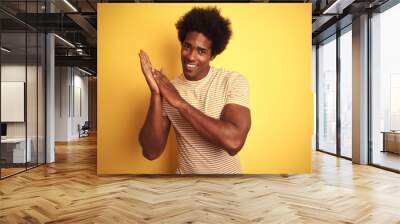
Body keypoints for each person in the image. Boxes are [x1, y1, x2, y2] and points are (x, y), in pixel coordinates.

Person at [138, 7, 251, 174]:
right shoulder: (167, 89)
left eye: (201, 51)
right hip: (187, 188)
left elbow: (234, 142)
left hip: (227, 189)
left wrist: (180, 103)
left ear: (212, 55)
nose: (190, 56)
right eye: (187, 46)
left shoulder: (232, 81)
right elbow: (150, 152)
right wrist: (155, 94)